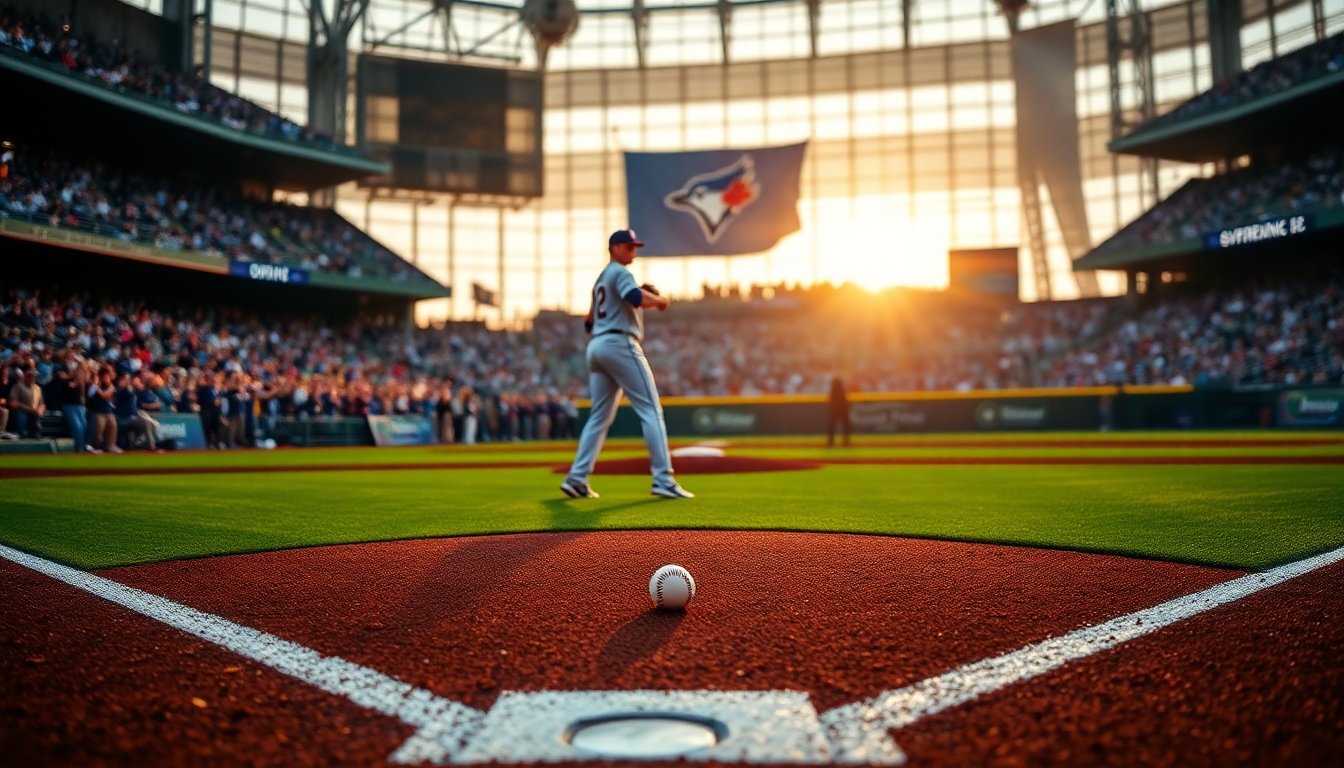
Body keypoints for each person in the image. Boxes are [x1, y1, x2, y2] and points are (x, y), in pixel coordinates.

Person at [560, 229, 693, 500]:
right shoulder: (619, 272)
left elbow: (588, 322)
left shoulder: (600, 280)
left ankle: (577, 477)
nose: (633, 251)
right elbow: (635, 298)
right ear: (614, 248)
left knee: (599, 417)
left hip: (597, 346)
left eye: (634, 247)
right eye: (628, 246)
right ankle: (663, 478)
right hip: (619, 344)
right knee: (651, 410)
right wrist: (659, 300)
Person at [827, 375, 851, 447]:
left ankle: (831, 442)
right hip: (841, 410)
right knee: (844, 425)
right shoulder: (841, 391)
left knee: (833, 425)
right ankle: (845, 441)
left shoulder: (834, 391)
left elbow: (831, 401)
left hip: (836, 410)